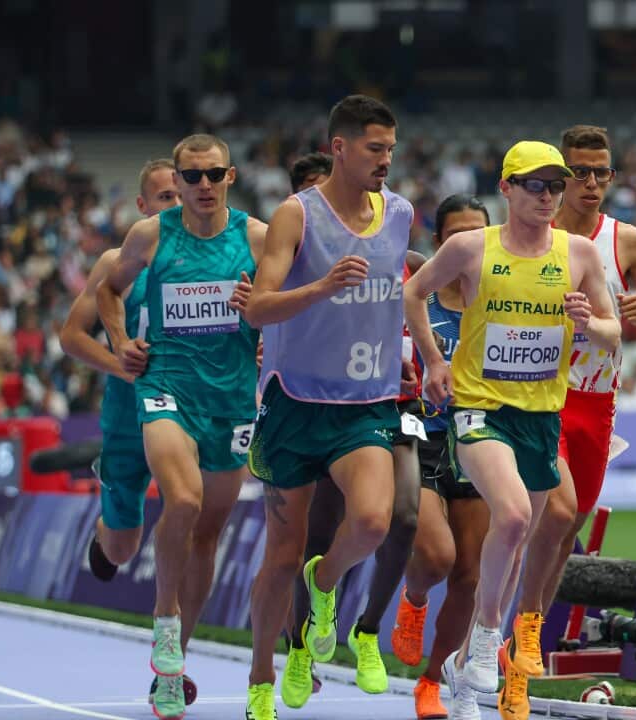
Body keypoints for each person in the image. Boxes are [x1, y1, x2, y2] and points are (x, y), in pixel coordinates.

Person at [404, 141, 620, 719]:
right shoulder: (472, 246)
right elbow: (414, 292)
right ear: (506, 188)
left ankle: (463, 673)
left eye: (555, 186)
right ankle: (484, 640)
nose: (547, 196)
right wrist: (433, 361)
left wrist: (589, 323)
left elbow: (612, 334)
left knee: (517, 538)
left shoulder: (577, 254)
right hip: (478, 410)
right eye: (535, 185)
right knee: (518, 515)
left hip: (540, 417)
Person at [234, 95, 412, 720]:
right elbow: (257, 307)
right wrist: (323, 286)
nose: (386, 160)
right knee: (280, 556)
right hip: (294, 403)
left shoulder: (401, 214)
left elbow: (405, 285)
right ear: (339, 147)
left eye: (391, 149)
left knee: (371, 522)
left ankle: (327, 581)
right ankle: (261, 674)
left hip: (366, 402)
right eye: (374, 149)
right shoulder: (295, 216)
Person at [504, 124, 636, 718]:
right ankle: (510, 634)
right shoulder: (534, 234)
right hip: (540, 398)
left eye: (603, 173)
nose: (593, 184)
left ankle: (520, 647)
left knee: (562, 535)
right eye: (581, 172)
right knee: (550, 515)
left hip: (598, 403)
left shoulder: (627, 242)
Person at [97, 134, 266, 720]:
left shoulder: (257, 237)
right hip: (166, 386)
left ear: (230, 176)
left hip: (233, 401)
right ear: (178, 179)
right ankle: (164, 620)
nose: (200, 186)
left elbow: (289, 304)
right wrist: (120, 341)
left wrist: (263, 317)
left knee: (207, 533)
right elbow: (108, 289)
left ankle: (176, 665)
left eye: (211, 175)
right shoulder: (151, 235)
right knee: (185, 500)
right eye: (190, 176)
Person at [59, 158, 191, 707]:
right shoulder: (119, 262)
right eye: (163, 198)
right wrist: (122, 365)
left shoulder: (224, 257)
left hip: (190, 413)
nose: (176, 206)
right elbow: (71, 336)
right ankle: (104, 530)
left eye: (179, 195)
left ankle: (171, 661)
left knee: (187, 512)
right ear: (142, 208)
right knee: (121, 547)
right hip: (125, 418)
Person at [392, 194, 493, 720]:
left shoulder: (500, 298)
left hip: (480, 439)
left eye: (479, 233)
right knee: (435, 556)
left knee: (471, 576)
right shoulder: (413, 297)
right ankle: (412, 599)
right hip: (418, 435)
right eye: (457, 235)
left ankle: (432, 681)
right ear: (438, 244)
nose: (469, 245)